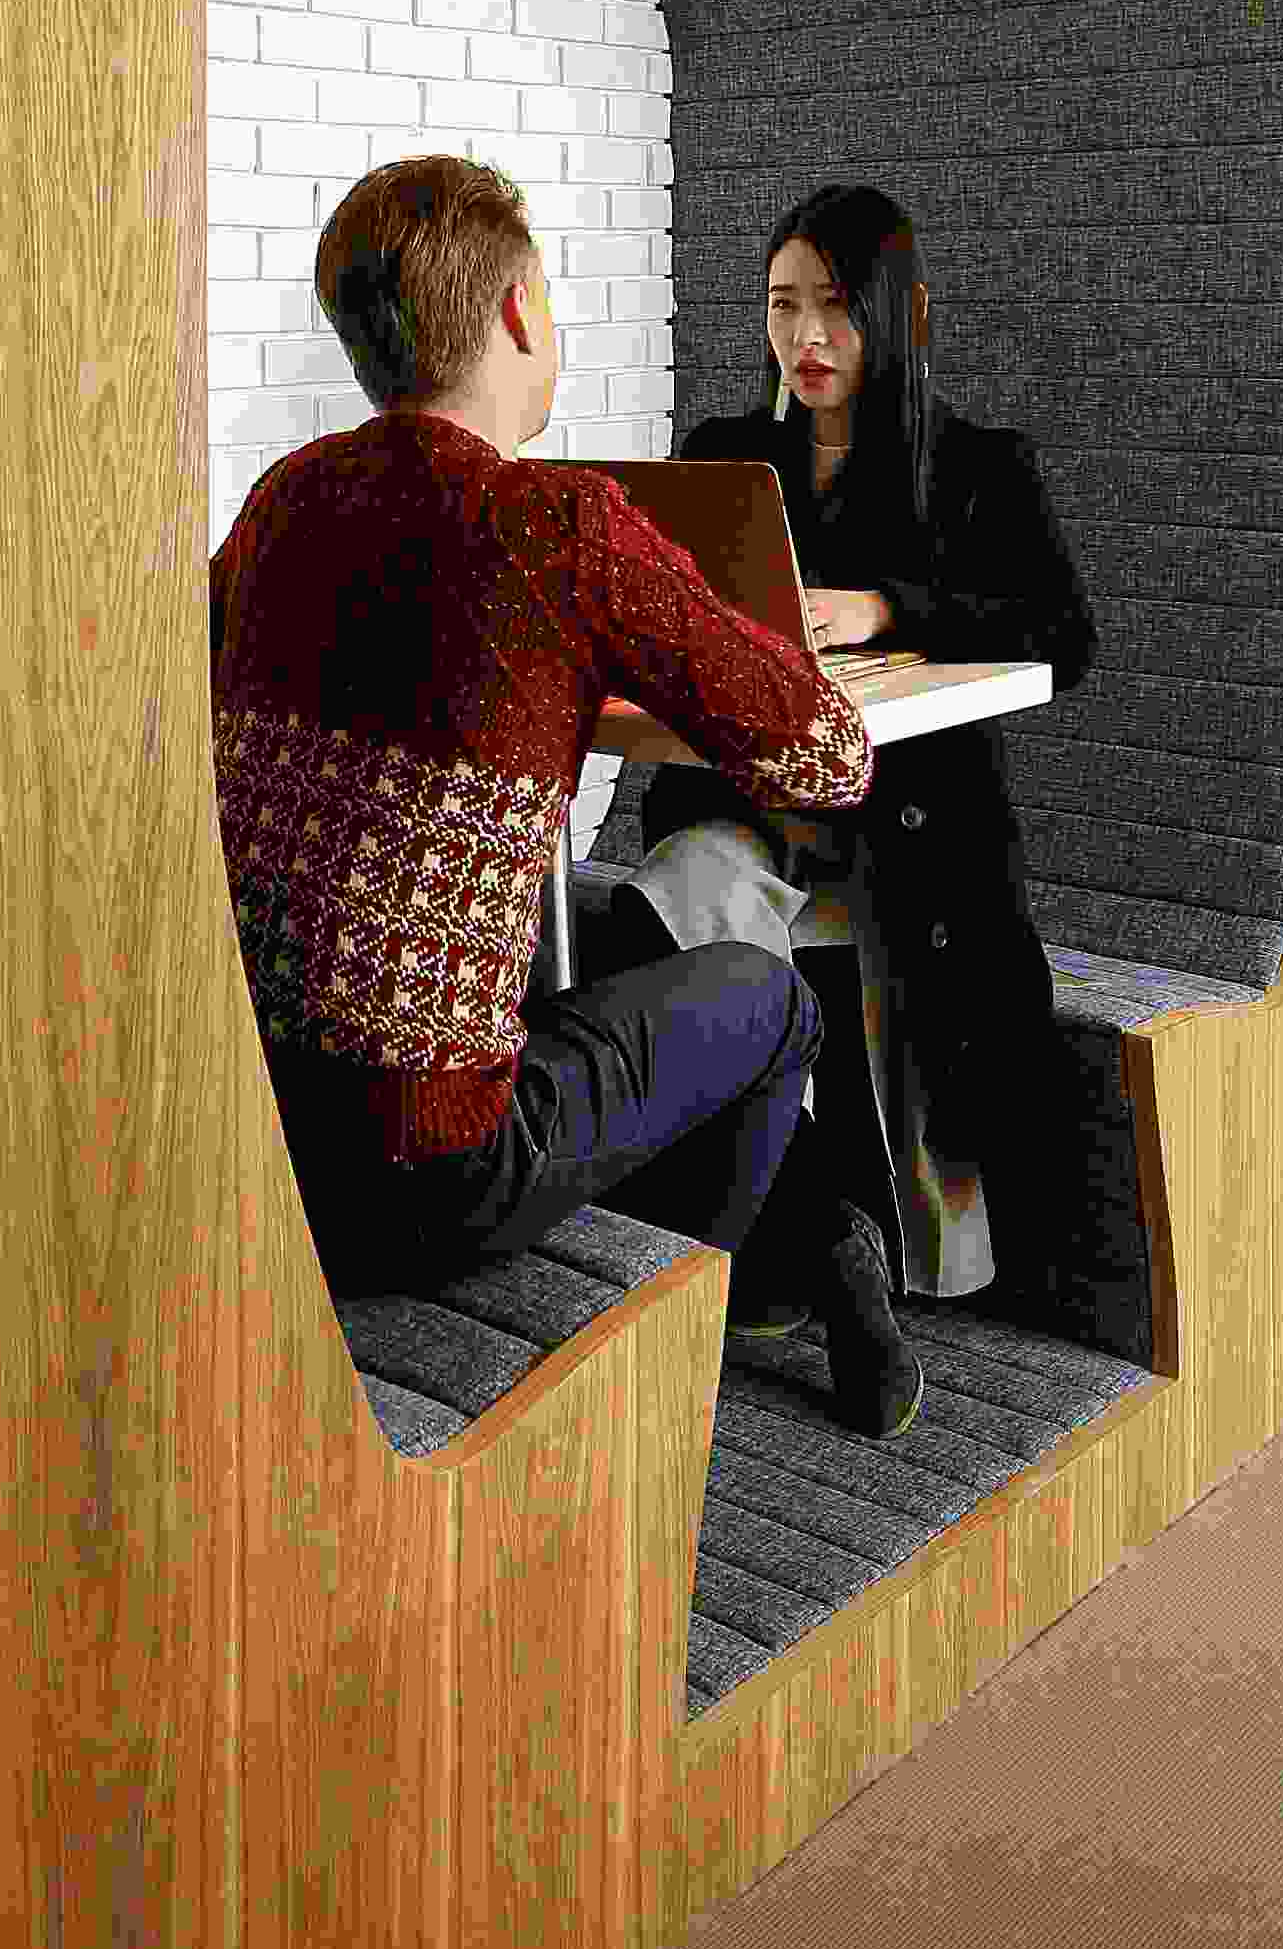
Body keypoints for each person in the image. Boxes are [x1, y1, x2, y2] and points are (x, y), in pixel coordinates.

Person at [216, 153, 924, 1437]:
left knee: (585, 922)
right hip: (428, 1177)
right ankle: (727, 1289)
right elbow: (828, 758)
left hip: (256, 1133)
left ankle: (775, 1249)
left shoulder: (282, 502)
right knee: (769, 1001)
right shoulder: (557, 527)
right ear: (520, 313)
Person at [628, 183, 1097, 1301]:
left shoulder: (976, 468)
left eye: (835, 305)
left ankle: (840, 1245)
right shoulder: (723, 458)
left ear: (895, 313)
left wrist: (884, 611)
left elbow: (1063, 634)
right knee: (684, 885)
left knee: (920, 924)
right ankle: (790, 1227)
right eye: (782, 305)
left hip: (909, 825)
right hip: (755, 810)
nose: (807, 336)